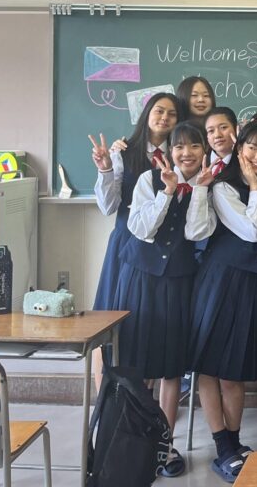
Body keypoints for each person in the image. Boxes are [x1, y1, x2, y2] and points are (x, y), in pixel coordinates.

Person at [188, 122, 257, 482]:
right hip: (222, 280)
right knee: (210, 364)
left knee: (235, 367)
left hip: (252, 283)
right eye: (252, 148)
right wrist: (255, 188)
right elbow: (252, 231)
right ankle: (223, 447)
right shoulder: (223, 185)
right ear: (239, 146)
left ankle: (233, 442)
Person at [122, 121, 216, 478]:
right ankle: (138, 439)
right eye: (179, 147)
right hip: (142, 277)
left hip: (179, 280)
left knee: (172, 364)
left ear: (204, 151)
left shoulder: (207, 185)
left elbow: (195, 232)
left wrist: (199, 190)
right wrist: (167, 192)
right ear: (170, 151)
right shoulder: (148, 179)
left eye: (194, 146)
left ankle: (165, 442)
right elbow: (141, 229)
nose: (186, 153)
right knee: (138, 360)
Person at [88, 91, 178, 382]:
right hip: (125, 244)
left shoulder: (180, 153)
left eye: (172, 113)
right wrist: (105, 169)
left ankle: (142, 402)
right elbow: (108, 206)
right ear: (147, 114)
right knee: (110, 321)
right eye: (159, 111)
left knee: (148, 326)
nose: (164, 118)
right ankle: (105, 400)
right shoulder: (123, 151)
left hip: (160, 250)